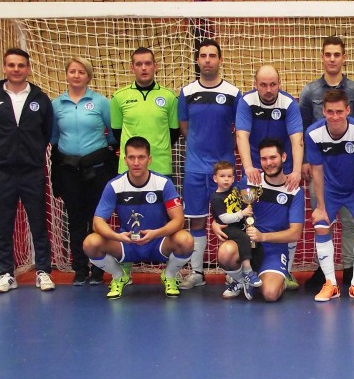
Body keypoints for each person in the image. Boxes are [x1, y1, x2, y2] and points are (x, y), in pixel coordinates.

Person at [83, 136, 194, 300]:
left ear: (149, 159)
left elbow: (179, 220)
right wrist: (117, 236)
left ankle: (169, 275)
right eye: (132, 157)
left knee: (186, 240)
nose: (136, 162)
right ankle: (119, 276)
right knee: (90, 243)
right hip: (127, 243)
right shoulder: (114, 185)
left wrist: (156, 233)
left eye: (141, 157)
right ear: (125, 160)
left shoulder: (163, 183)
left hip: (158, 242)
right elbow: (97, 222)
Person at [299, 36, 354, 291]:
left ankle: (352, 273)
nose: (332, 59)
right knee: (322, 218)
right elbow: (303, 127)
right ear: (322, 57)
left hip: (351, 168)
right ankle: (326, 274)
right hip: (322, 167)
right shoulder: (309, 91)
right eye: (327, 54)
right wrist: (305, 161)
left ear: (344, 57)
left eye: (336, 54)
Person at [0, 47, 54, 294]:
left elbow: (46, 132)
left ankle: (43, 271)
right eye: (11, 65)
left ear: (28, 69)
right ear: (5, 68)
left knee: (38, 224)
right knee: (4, 225)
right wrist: (6, 150)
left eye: (21, 65)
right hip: (3, 172)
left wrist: (30, 152)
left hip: (32, 172)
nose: (16, 69)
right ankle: (6, 273)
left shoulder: (40, 99)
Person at [178, 39, 242, 290]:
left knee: (230, 220)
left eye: (212, 55)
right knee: (196, 221)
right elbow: (184, 126)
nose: (207, 60)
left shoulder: (233, 93)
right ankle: (196, 273)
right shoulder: (186, 92)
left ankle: (231, 272)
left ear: (220, 60)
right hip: (195, 168)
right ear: (197, 60)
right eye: (203, 55)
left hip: (225, 170)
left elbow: (240, 129)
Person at [235, 65, 304, 289]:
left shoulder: (289, 104)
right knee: (248, 214)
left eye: (273, 84)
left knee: (285, 216)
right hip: (256, 168)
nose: (268, 89)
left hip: (283, 164)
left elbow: (297, 138)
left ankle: (286, 270)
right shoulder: (246, 101)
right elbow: (242, 135)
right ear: (255, 85)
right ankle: (244, 269)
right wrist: (248, 167)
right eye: (263, 85)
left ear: (280, 84)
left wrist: (296, 170)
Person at [50, 56, 117, 286]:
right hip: (69, 171)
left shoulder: (101, 102)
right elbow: (54, 137)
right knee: (75, 220)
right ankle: (79, 268)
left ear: (88, 76)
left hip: (97, 171)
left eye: (81, 72)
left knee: (97, 220)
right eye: (72, 71)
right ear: (66, 75)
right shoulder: (57, 105)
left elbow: (113, 134)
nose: (76, 75)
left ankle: (99, 269)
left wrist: (98, 156)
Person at [304, 89, 354, 302]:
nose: (335, 116)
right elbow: (317, 172)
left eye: (339, 111)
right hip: (330, 188)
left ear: (348, 110)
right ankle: (331, 284)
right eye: (330, 112)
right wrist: (320, 207)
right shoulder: (313, 133)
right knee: (321, 225)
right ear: (324, 111)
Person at [215, 138, 305, 302]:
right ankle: (241, 279)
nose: (268, 163)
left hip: (273, 249)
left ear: (283, 157)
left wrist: (262, 236)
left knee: (270, 294)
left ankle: (280, 278)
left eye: (273, 157)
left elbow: (295, 233)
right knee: (225, 252)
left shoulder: (294, 191)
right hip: (246, 244)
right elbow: (228, 205)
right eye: (264, 159)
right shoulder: (250, 181)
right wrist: (215, 223)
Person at [110, 47, 179, 176]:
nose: (143, 68)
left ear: (155, 66)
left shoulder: (170, 97)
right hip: (129, 168)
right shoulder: (118, 97)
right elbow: (117, 132)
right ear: (132, 68)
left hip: (161, 167)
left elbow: (174, 132)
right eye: (139, 64)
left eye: (148, 63)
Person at [210, 161, 260, 299]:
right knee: (243, 238)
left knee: (252, 239)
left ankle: (246, 279)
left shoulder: (235, 190)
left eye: (229, 176)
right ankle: (248, 272)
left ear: (233, 178)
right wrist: (242, 214)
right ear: (215, 178)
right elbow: (224, 218)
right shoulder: (216, 197)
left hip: (240, 226)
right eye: (222, 176)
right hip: (228, 228)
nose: (226, 179)